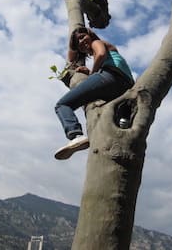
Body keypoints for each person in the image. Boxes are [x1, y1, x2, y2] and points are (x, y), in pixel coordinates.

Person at [54, 27, 134, 160]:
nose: (81, 42)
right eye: (77, 43)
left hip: (110, 76)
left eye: (82, 37)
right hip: (124, 86)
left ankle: (76, 136)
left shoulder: (96, 42)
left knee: (62, 105)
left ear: (90, 34)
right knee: (117, 118)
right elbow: (77, 56)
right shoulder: (108, 52)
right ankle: (123, 123)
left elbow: (101, 54)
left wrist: (92, 74)